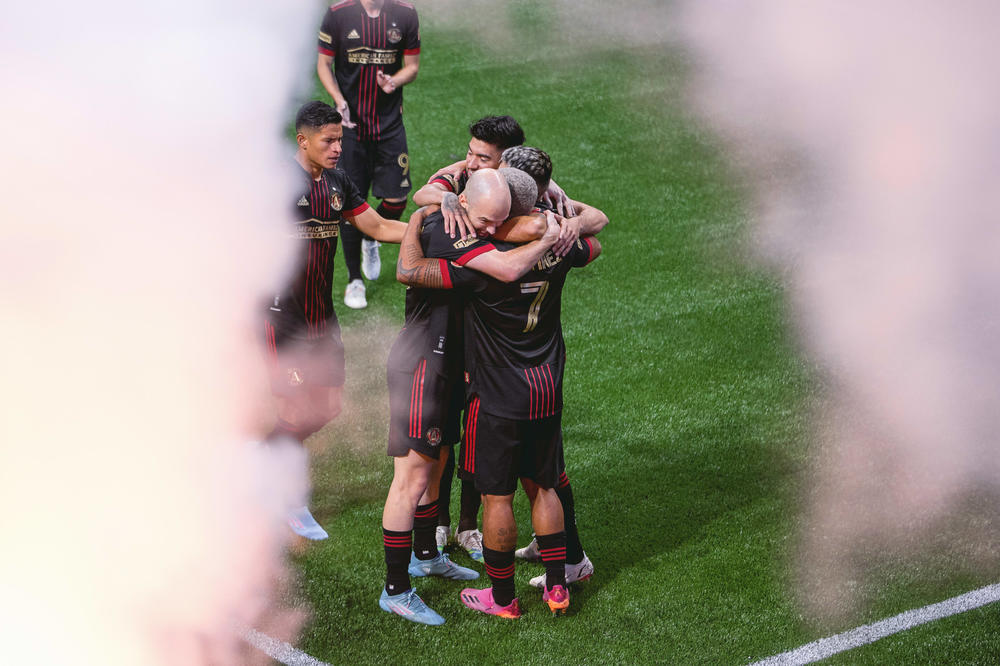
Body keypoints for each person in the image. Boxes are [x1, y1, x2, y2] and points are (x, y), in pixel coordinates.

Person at [398, 161, 607, 619]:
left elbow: (411, 270)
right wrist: (560, 219)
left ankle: (503, 597)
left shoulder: (479, 263)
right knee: (546, 486)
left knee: (497, 496)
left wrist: (420, 217)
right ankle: (557, 587)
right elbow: (594, 237)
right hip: (547, 386)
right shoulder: (562, 249)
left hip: (496, 393)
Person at [379, 168, 557, 625]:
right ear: (463, 204)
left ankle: (427, 555)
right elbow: (408, 270)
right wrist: (425, 215)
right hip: (422, 366)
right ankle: (396, 589)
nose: (493, 232)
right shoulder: (447, 227)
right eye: (486, 222)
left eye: (499, 222)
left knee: (437, 463)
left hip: (450, 368)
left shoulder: (472, 226)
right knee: (411, 477)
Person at [262, 100, 407, 539]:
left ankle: (264, 453)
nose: (338, 147)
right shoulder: (275, 186)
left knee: (328, 405)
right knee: (295, 405)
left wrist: (438, 230)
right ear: (302, 140)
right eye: (328, 140)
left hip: (322, 320)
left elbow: (379, 227)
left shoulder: (338, 182)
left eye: (340, 139)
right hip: (280, 320)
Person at [498, 146, 607, 587]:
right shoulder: (558, 233)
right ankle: (554, 547)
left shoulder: (503, 230)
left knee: (544, 471)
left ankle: (572, 559)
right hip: (545, 360)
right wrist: (572, 220)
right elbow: (595, 234)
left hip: (510, 365)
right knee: (538, 466)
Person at [316, 0, 420, 309]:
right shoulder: (338, 14)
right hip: (350, 127)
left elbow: (412, 67)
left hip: (389, 125)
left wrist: (394, 81)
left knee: (398, 198)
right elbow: (324, 64)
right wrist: (337, 99)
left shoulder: (405, 13)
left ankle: (373, 235)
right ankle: (354, 280)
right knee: (350, 203)